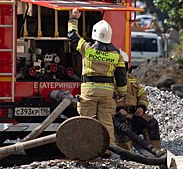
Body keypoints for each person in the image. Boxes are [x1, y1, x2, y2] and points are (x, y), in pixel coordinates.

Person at [68, 8, 127, 145]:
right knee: (106, 122)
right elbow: (121, 76)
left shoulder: (87, 49)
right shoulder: (116, 55)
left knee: (86, 121)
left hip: (89, 91)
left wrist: (74, 18)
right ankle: (108, 149)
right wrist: (122, 93)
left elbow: (72, 36)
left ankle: (85, 150)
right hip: (107, 93)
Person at [115, 50, 162, 151]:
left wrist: (141, 107)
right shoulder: (110, 81)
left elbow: (142, 95)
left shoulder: (133, 79)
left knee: (152, 123)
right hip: (118, 115)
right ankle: (126, 153)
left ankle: (155, 152)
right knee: (123, 128)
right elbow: (106, 100)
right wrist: (116, 110)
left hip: (134, 114)